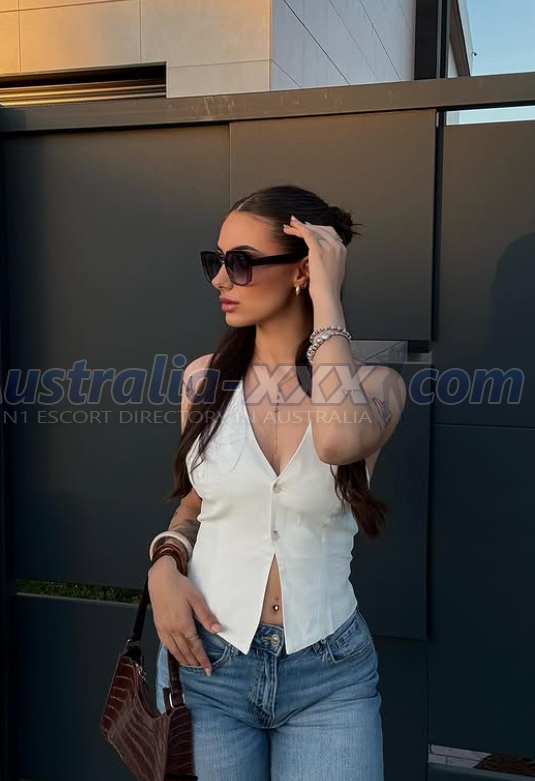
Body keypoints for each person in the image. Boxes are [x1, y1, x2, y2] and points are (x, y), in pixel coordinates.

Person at [148, 183, 406, 780]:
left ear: (302, 270)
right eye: (216, 261)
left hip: (329, 678)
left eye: (241, 262)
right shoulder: (202, 382)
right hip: (205, 666)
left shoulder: (377, 388)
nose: (220, 279)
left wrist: (328, 299)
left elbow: (335, 441)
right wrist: (164, 565)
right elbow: (194, 505)